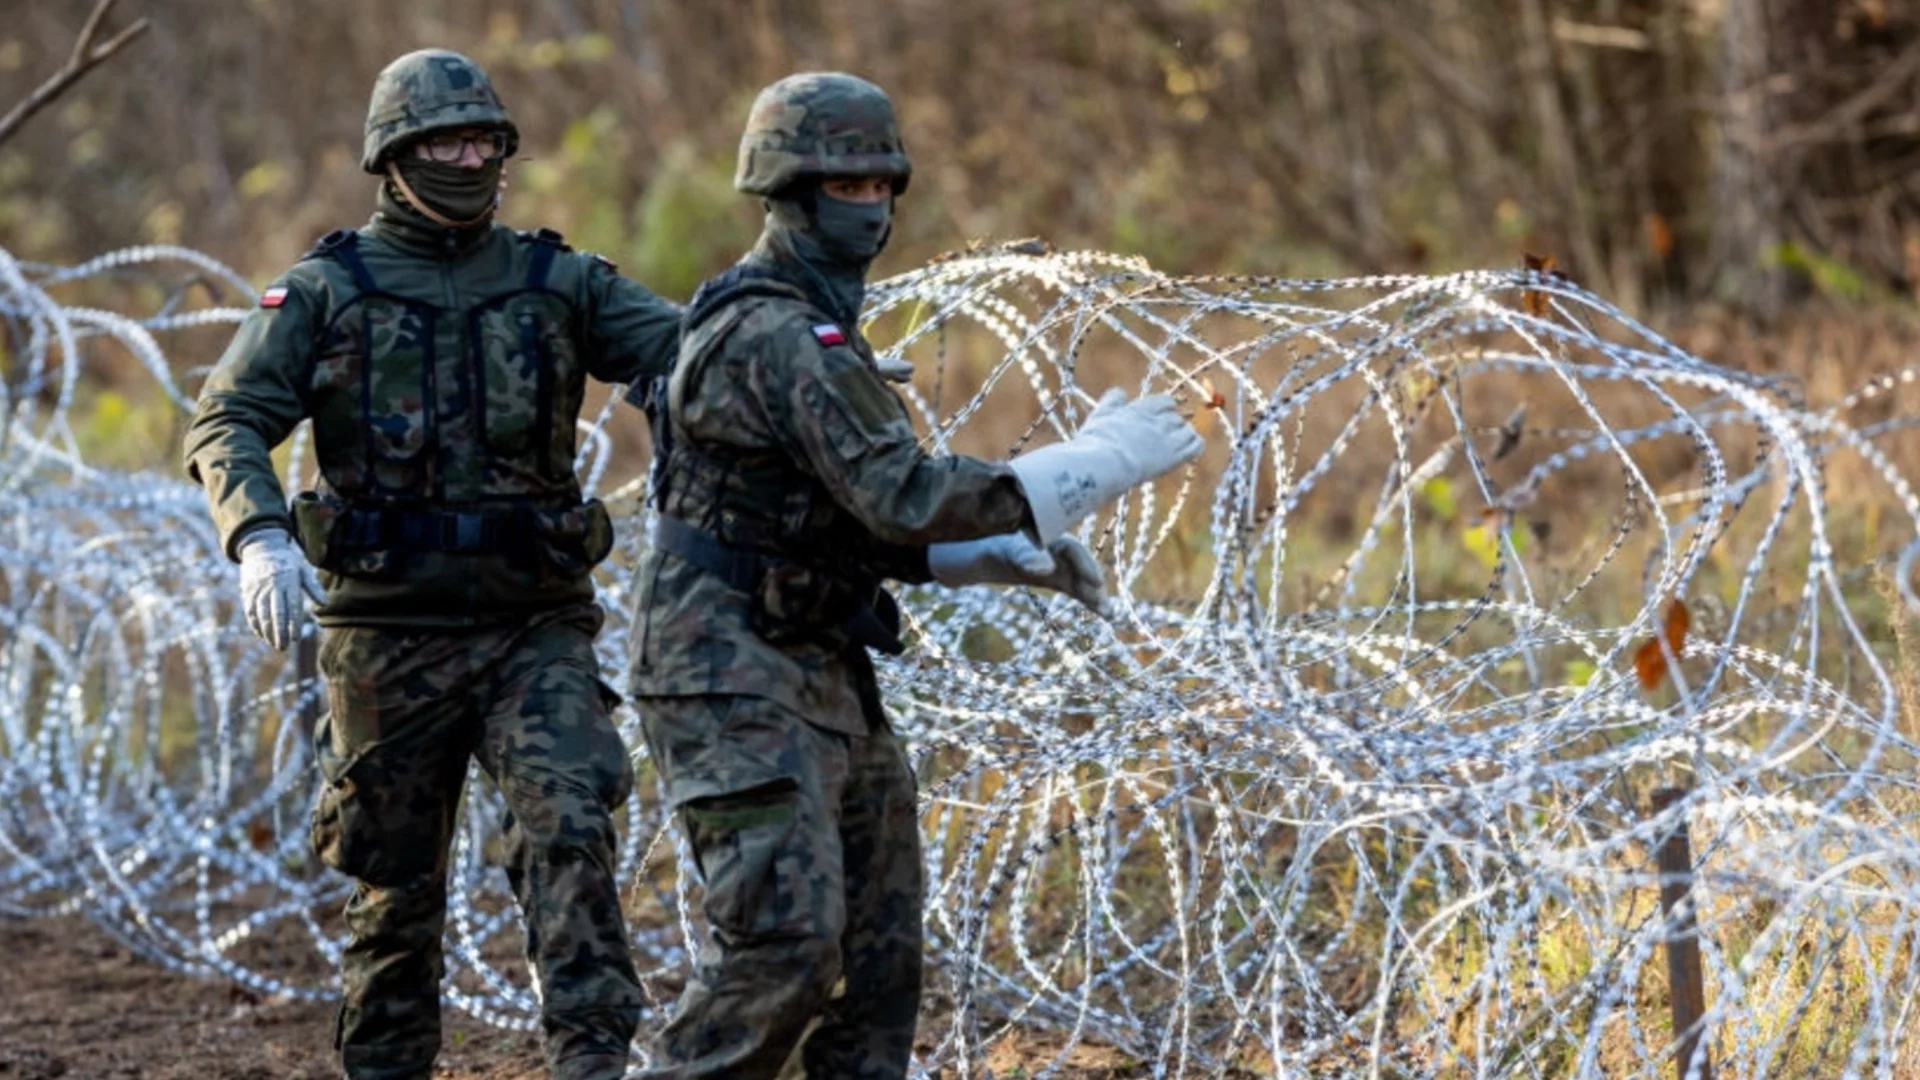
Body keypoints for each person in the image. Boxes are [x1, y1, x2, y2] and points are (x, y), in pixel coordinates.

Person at [626, 71, 1205, 1079]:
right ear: (787, 192)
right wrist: (1084, 467)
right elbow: (899, 493)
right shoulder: (775, 333)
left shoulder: (820, 328)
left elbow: (846, 517)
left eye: (882, 187)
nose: (871, 209)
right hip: (727, 673)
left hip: (817, 663)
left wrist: (987, 555)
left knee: (877, 965)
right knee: (783, 951)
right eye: (845, 189)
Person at [181, 48, 683, 1080]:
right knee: (392, 888)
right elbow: (228, 416)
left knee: (570, 833)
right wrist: (258, 534)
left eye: (485, 141)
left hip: (533, 623)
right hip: (385, 633)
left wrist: (795, 359)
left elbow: (689, 349)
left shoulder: (558, 280)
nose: (469, 158)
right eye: (446, 142)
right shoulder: (325, 292)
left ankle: (594, 1061)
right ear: (396, 155)